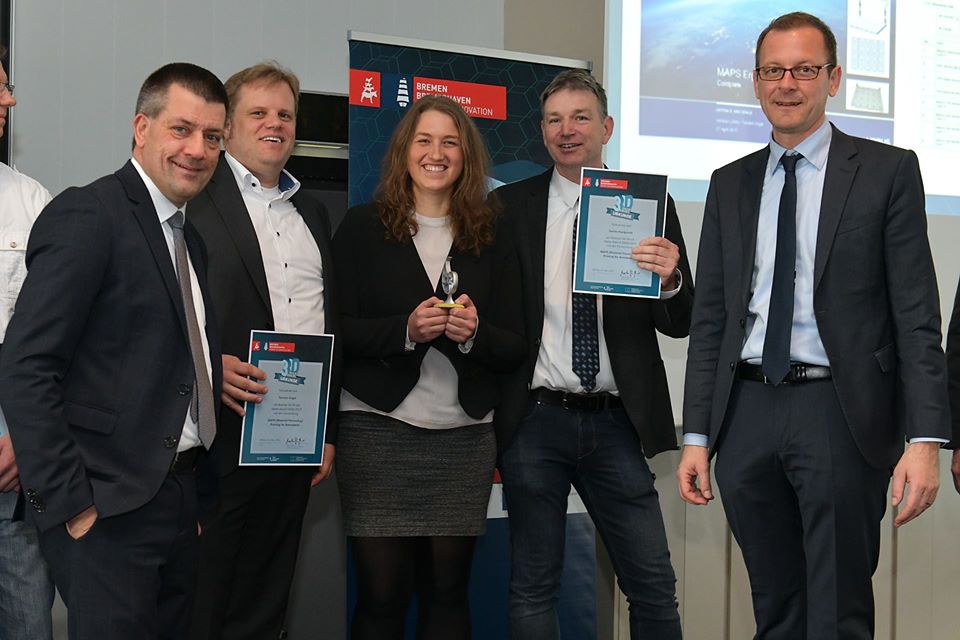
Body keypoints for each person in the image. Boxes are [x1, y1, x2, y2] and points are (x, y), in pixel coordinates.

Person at [678, 12, 950, 639]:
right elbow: (712, 318)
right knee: (774, 610)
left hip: (840, 413)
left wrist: (925, 440)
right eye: (773, 70)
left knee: (836, 613)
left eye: (804, 69)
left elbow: (916, 315)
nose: (787, 84)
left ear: (834, 78)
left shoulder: (886, 171)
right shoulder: (729, 183)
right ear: (755, 82)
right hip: (745, 414)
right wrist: (697, 435)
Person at [0, 62, 226, 638]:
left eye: (212, 137)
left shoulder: (191, 240)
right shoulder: (89, 213)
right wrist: (71, 506)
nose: (197, 149)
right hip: (105, 512)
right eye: (181, 129)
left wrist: (192, 503)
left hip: (178, 501)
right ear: (141, 128)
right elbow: (27, 365)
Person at [493, 69, 691, 640]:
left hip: (616, 422)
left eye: (580, 117)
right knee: (533, 587)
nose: (567, 130)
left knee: (652, 585)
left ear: (606, 127)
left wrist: (670, 279)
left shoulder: (650, 203)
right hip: (535, 419)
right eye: (554, 120)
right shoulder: (508, 207)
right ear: (542, 132)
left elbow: (679, 321)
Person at [333, 94, 523, 640]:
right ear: (403, 151)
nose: (436, 153)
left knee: (447, 595)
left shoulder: (493, 235)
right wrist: (405, 331)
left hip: (463, 438)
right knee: (380, 597)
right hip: (375, 432)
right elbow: (335, 330)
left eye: (449, 142)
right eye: (424, 140)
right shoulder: (362, 227)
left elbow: (515, 345)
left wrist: (475, 335)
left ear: (466, 156)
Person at [187, 61, 338, 640]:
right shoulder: (196, 197)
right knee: (205, 598)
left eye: (285, 115)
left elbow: (328, 324)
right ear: (227, 125)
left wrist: (326, 430)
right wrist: (205, 368)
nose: (275, 124)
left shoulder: (312, 213)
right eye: (259, 113)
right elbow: (164, 307)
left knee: (268, 596)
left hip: (294, 438)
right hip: (219, 434)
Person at [0, 48, 56, 640]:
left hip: (12, 453)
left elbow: (59, 337)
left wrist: (26, 437)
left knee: (27, 623)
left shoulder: (31, 201)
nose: (10, 100)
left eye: (7, 86)